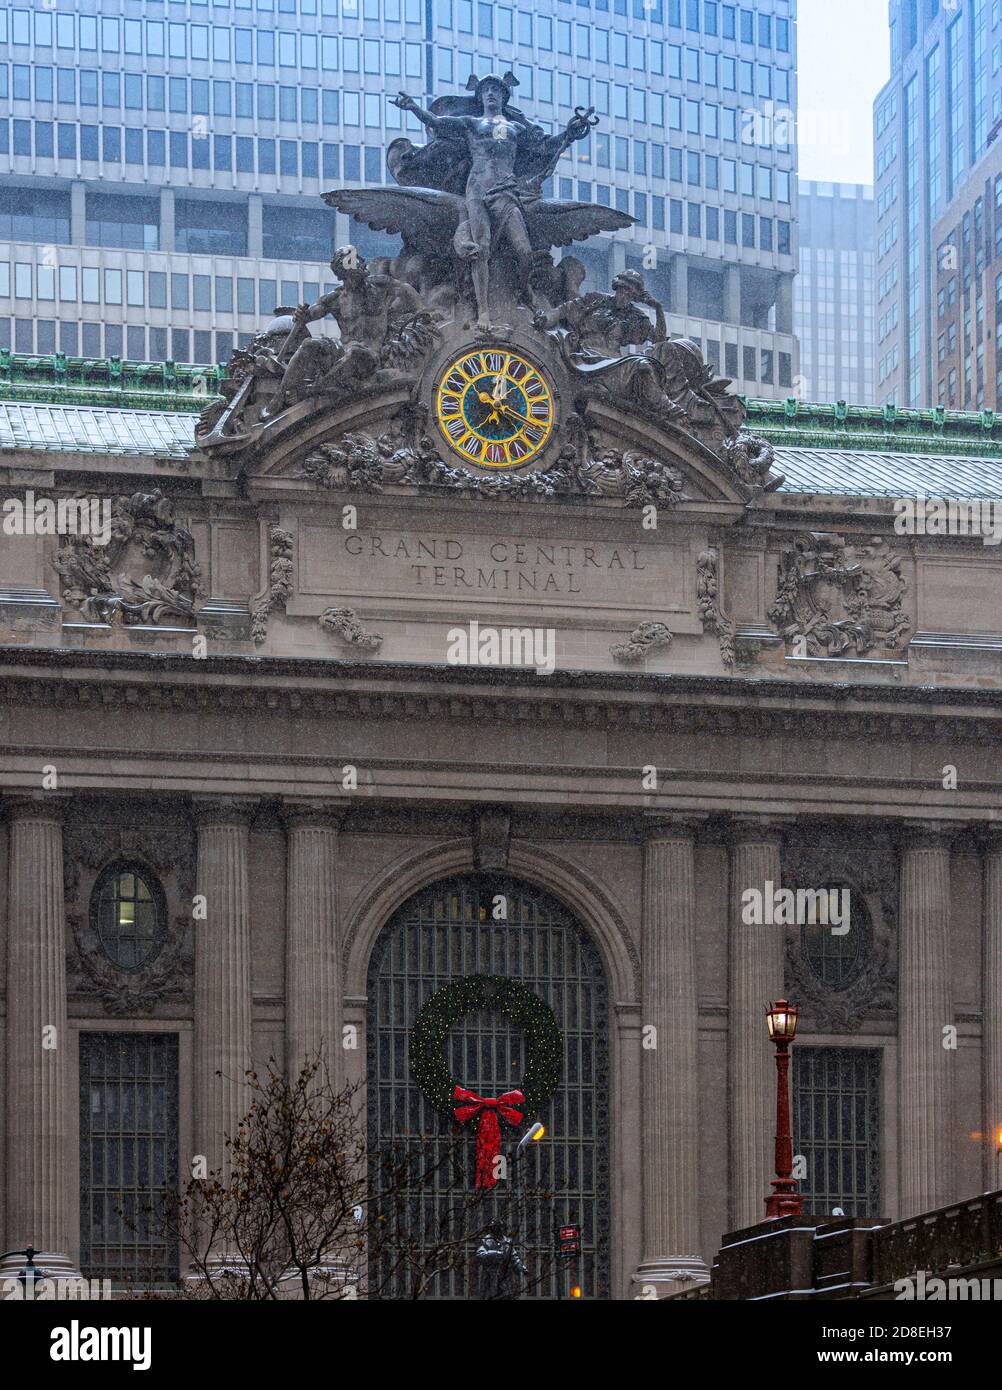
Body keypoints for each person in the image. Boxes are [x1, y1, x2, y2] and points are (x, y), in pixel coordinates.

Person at [392, 76, 595, 330]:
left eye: (495, 90)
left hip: (506, 192)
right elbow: (437, 123)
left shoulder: (517, 129)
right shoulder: (471, 124)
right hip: (477, 191)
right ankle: (484, 312)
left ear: (503, 96)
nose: (490, 94)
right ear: (480, 96)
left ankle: (525, 291)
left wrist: (569, 133)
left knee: (524, 251)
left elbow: (545, 146)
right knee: (481, 250)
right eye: (486, 90)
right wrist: (414, 108)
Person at [263, 248, 425, 418]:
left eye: (358, 266)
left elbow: (405, 289)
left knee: (355, 352)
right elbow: (312, 313)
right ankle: (278, 398)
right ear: (341, 275)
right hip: (342, 351)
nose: (357, 272)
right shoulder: (336, 298)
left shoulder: (380, 286)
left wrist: (423, 309)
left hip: (369, 357)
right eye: (350, 271)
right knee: (310, 345)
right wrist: (301, 316)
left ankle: (315, 390)